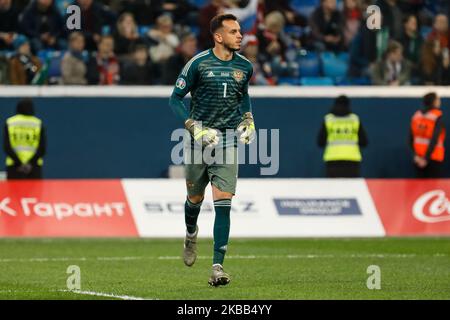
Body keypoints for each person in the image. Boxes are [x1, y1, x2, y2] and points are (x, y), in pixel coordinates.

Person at [169, 14, 254, 286]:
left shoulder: (245, 66)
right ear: (219, 37)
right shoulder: (198, 63)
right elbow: (175, 99)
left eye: (239, 31)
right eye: (233, 32)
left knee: (224, 204)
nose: (240, 35)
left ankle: (218, 267)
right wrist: (194, 126)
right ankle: (191, 233)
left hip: (228, 140)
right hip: (198, 140)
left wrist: (248, 118)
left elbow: (244, 96)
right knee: (194, 199)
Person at [317, 95, 368, 177]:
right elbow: (364, 142)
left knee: (334, 188)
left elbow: (320, 142)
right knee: (351, 188)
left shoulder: (329, 119)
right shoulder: (354, 119)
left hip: (333, 160)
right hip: (352, 160)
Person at [3, 98, 46, 179]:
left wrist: (19, 164)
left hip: (14, 167)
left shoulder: (10, 122)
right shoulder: (38, 123)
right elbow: (42, 149)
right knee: (35, 192)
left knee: (14, 192)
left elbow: (7, 147)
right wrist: (29, 164)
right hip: (34, 167)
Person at [410, 92, 446, 178]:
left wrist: (416, 156)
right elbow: (435, 139)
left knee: (420, 188)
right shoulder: (437, 116)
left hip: (418, 160)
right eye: (438, 99)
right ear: (434, 101)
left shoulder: (416, 116)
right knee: (434, 187)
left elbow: (410, 140)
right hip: (434, 158)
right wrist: (426, 158)